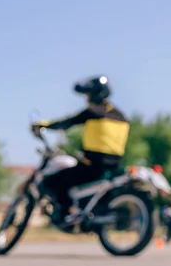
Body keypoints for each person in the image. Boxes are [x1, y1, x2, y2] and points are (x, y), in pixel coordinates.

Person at [31, 75, 130, 225]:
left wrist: (43, 124)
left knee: (52, 182)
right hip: (114, 166)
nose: (86, 98)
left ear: (94, 94)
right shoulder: (121, 115)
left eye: (88, 94)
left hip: (93, 165)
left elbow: (67, 123)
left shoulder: (94, 112)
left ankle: (66, 213)